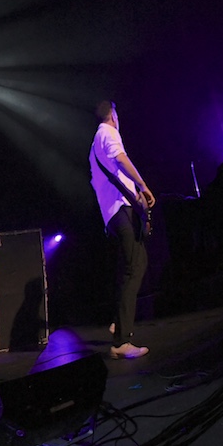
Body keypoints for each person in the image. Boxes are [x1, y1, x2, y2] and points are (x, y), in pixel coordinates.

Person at [89, 101, 156, 359]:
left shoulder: (94, 145)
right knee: (134, 266)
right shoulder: (108, 132)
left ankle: (119, 322)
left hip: (113, 213)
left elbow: (103, 182)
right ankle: (121, 342)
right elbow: (121, 159)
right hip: (119, 211)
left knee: (136, 264)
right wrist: (143, 184)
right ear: (113, 115)